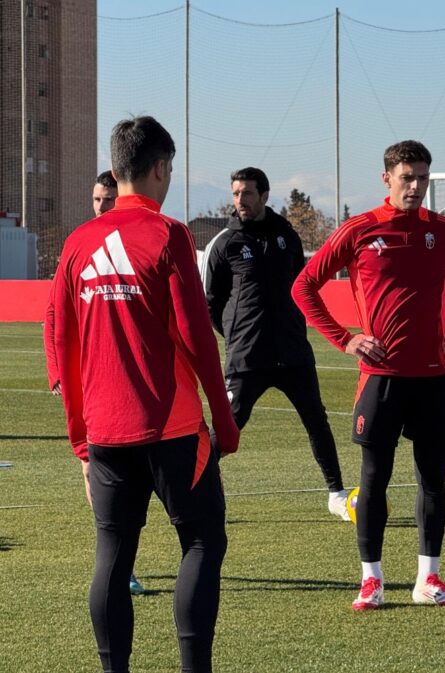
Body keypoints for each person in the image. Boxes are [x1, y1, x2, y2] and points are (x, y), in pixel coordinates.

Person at [50, 115, 239, 673]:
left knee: (113, 553)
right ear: (160, 168)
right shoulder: (169, 234)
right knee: (203, 542)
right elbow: (197, 336)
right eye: (171, 170)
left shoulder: (78, 242)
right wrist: (223, 423)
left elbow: (61, 342)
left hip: (106, 431)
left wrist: (79, 438)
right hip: (172, 428)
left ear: (114, 169)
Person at [292, 140, 445, 611]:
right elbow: (303, 286)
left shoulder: (444, 232)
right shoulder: (360, 229)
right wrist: (345, 339)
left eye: (423, 177)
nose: (416, 186)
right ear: (387, 179)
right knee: (374, 479)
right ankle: (371, 580)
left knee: (433, 481)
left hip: (434, 378)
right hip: (381, 379)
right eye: (407, 177)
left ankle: (429, 579)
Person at [201, 167, 349, 518]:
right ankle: (200, 495)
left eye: (247, 193)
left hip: (293, 352)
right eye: (236, 194)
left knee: (317, 421)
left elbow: (301, 286)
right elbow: (210, 302)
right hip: (248, 356)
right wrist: (237, 335)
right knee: (226, 428)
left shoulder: (287, 236)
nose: (240, 201)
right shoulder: (224, 243)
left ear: (264, 196)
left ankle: (337, 494)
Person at [43, 170, 145, 596]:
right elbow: (53, 316)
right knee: (93, 468)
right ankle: (121, 563)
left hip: (136, 385)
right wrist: (57, 374)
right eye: (96, 199)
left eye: (107, 198)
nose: (101, 205)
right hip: (90, 384)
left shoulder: (142, 239)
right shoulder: (80, 243)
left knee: (142, 473)